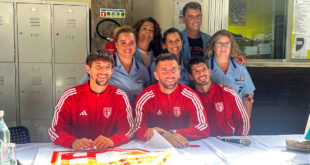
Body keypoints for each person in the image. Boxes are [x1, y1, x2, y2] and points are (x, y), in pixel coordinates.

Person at [49, 51, 135, 150]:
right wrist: (72, 142)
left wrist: (112, 140)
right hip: (77, 152)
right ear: (88, 69)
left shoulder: (120, 96)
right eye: (98, 66)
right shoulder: (70, 96)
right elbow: (55, 130)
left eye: (107, 67)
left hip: (107, 153)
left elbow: (128, 129)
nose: (103, 71)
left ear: (112, 71)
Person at [135, 53, 209, 148]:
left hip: (182, 145)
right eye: (164, 70)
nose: (170, 74)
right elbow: (137, 129)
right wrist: (161, 137)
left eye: (173, 70)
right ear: (156, 75)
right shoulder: (145, 97)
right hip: (154, 148)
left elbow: (203, 128)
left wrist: (170, 133)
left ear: (179, 73)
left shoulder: (190, 96)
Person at [80, 25, 150, 107]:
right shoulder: (103, 67)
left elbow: (148, 97)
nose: (128, 47)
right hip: (110, 117)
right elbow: (82, 89)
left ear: (135, 45)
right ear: (116, 44)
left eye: (131, 42)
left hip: (135, 117)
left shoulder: (143, 70)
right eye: (123, 43)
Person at [187, 56, 250, 136]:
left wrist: (239, 142)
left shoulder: (228, 93)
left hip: (227, 142)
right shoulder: (189, 99)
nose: (201, 73)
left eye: (204, 69)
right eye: (196, 71)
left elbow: (243, 121)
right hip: (201, 143)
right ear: (191, 77)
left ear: (209, 72)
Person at [205, 30, 255, 118]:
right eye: (219, 43)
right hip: (213, 120)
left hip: (237, 119)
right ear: (213, 46)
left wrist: (246, 121)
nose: (223, 47)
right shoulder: (205, 66)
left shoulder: (240, 67)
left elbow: (248, 95)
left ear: (231, 47)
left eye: (227, 44)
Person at [181, 2, 246, 64]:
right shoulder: (177, 39)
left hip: (206, 75)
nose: (196, 20)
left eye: (198, 16)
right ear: (184, 19)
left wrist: (235, 58)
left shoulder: (209, 39)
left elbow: (221, 55)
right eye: (191, 16)